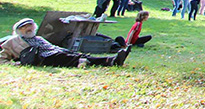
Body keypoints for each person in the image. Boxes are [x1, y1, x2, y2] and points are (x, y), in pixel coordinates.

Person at [1, 18, 130, 67]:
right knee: (68, 58)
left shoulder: (38, 38)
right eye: (25, 28)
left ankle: (111, 60)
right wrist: (15, 64)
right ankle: (110, 61)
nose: (28, 29)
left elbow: (51, 46)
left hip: (54, 51)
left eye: (30, 27)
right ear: (19, 30)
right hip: (41, 57)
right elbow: (2, 58)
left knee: (77, 55)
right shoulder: (13, 41)